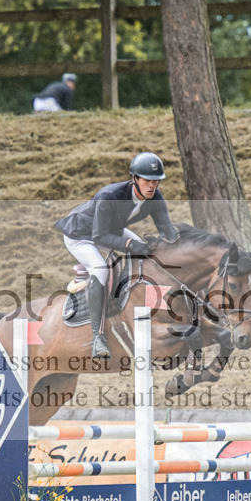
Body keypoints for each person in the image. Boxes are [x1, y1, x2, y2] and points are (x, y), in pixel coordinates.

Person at [55, 152, 179, 359]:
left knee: (148, 258)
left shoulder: (155, 197)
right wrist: (131, 244)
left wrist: (178, 241)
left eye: (156, 181)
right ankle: (97, 338)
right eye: (147, 181)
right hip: (81, 234)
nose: (152, 186)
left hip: (110, 229)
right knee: (101, 269)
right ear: (134, 179)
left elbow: (167, 230)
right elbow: (100, 236)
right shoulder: (110, 196)